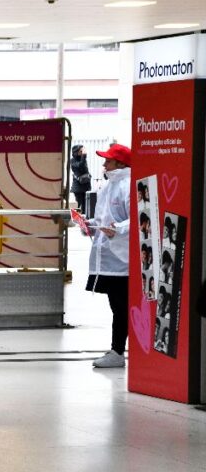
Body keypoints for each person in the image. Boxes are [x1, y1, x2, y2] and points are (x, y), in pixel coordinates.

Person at [85, 143, 132, 369]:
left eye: (108, 160)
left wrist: (119, 229)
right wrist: (88, 224)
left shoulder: (128, 186)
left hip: (124, 260)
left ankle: (117, 351)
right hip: (109, 259)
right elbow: (103, 218)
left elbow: (138, 219)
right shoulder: (107, 187)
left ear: (121, 163)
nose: (104, 164)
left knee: (121, 306)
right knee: (117, 306)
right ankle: (118, 350)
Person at [70, 145, 92, 215]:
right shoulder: (72, 160)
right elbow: (80, 166)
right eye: (81, 151)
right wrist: (84, 156)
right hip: (78, 187)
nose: (83, 152)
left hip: (85, 185)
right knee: (78, 204)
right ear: (76, 152)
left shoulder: (82, 159)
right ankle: (77, 218)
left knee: (85, 205)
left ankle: (84, 219)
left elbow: (84, 170)